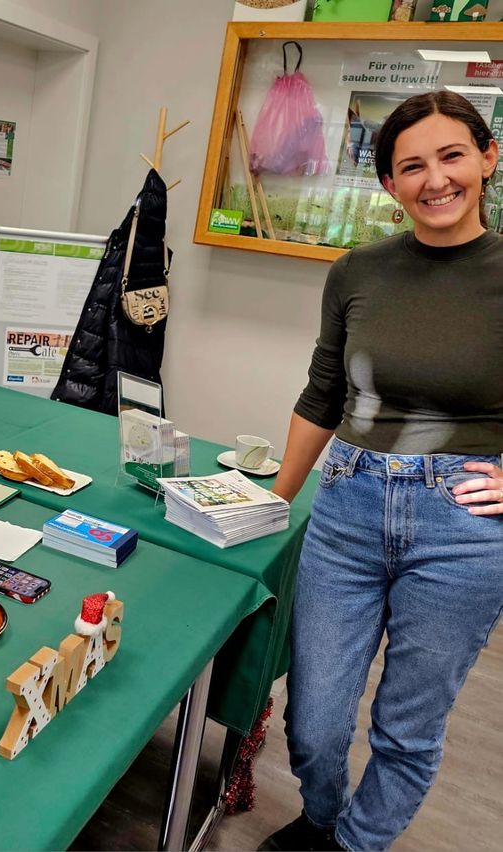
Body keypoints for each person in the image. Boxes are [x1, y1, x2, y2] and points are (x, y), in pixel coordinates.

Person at [260, 91, 503, 851]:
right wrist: (271, 504)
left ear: (488, 157)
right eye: (411, 166)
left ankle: (353, 847)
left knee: (407, 724)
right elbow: (322, 394)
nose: (435, 179)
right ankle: (322, 818)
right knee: (315, 716)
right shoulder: (357, 271)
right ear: (389, 185)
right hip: (348, 503)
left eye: (452, 155)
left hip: (463, 523)